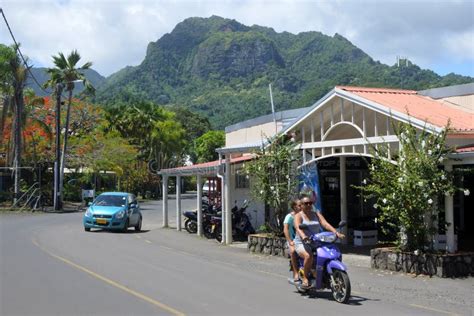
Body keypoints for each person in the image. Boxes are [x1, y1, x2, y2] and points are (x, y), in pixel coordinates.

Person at [294, 195, 345, 288]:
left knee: (330, 252)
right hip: (302, 242)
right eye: (306, 203)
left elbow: (325, 224)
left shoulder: (316, 214)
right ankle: (305, 278)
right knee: (308, 256)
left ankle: (324, 273)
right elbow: (298, 228)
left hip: (316, 240)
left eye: (310, 203)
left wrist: (336, 233)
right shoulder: (298, 216)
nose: (309, 205)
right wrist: (304, 236)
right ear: (301, 205)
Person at [283, 199, 302, 283]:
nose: (301, 207)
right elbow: (285, 230)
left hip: (302, 240)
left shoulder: (303, 216)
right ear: (294, 207)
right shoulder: (289, 217)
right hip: (293, 240)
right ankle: (296, 273)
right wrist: (290, 241)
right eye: (299, 205)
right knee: (293, 252)